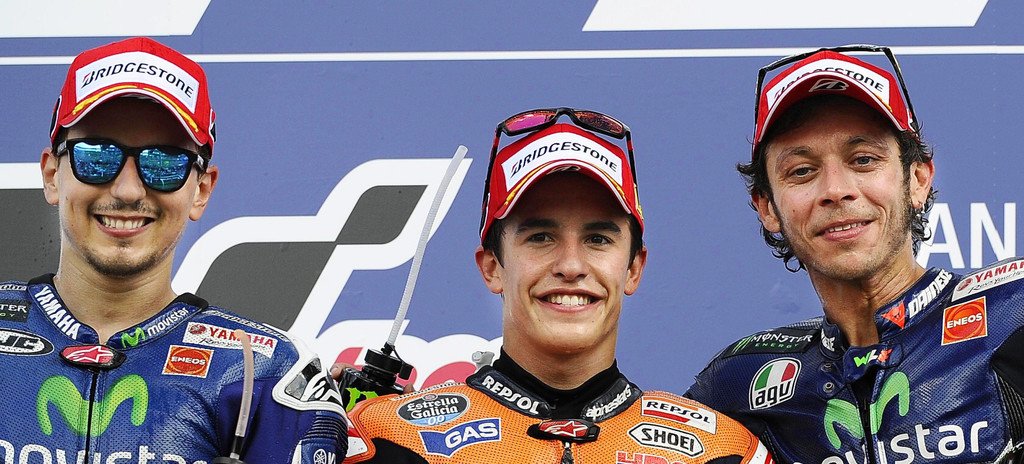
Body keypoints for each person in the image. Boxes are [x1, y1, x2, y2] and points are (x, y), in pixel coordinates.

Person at [342, 108, 774, 463]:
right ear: (492, 268)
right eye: (540, 237)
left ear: (633, 269)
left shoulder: (723, 451)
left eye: (598, 239)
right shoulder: (387, 439)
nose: (570, 265)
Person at [0, 37, 346, 462]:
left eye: (164, 163)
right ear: (53, 175)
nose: (128, 190)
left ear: (201, 190)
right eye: (97, 157)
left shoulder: (263, 373)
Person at [686, 45, 1024, 463]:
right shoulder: (739, 383)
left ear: (918, 179)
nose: (835, 190)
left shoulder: (1012, 313)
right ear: (767, 207)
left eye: (863, 160)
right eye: (802, 171)